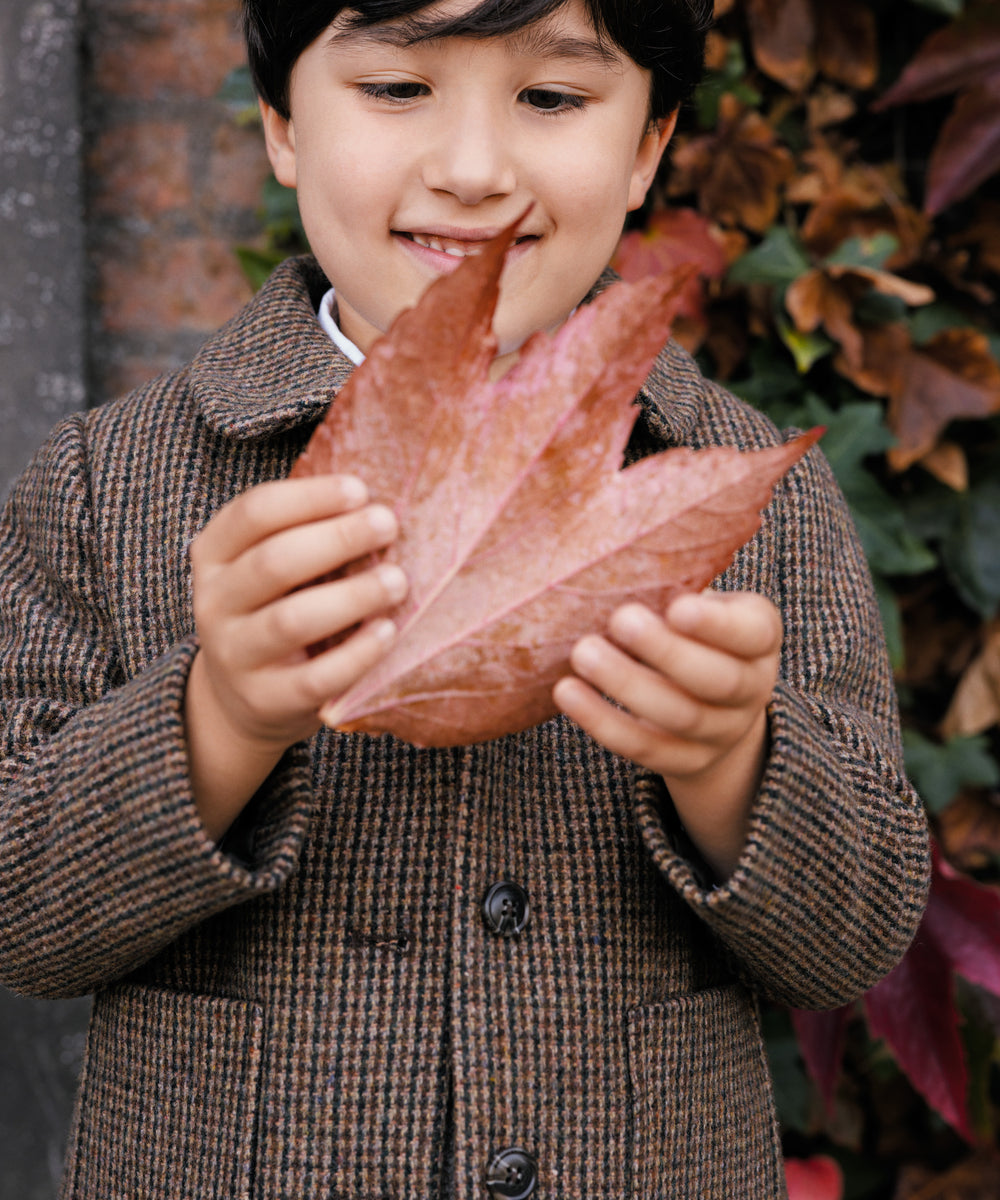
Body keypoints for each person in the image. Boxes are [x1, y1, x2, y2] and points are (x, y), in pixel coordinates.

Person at [0, 0, 930, 1196]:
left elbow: (853, 939)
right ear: (283, 123)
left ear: (647, 147)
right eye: (397, 89)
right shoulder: (107, 485)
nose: (476, 170)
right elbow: (22, 909)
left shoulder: (743, 498)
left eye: (551, 99)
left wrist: (731, 762)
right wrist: (217, 718)